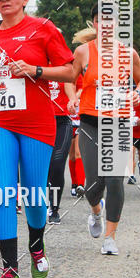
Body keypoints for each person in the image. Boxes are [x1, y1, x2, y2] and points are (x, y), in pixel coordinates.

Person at [0, 0, 75, 278]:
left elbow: (71, 70)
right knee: (3, 191)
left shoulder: (43, 28)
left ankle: (37, 246)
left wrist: (36, 71)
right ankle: (9, 271)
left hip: (36, 122)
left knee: (34, 193)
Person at [71, 4, 140, 255]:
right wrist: (72, 97)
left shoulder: (129, 53)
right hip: (91, 122)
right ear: (93, 24)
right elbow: (69, 79)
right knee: (94, 183)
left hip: (119, 122)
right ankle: (95, 212)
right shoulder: (83, 51)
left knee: (115, 180)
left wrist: (137, 93)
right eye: (98, 21)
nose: (104, 25)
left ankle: (110, 238)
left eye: (109, 21)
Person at [47, 79, 78, 223]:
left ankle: (54, 208)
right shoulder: (36, 62)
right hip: (41, 121)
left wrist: (72, 99)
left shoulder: (63, 64)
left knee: (57, 164)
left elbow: (68, 83)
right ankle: (41, 203)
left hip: (62, 121)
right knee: (43, 166)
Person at [68, 74, 85, 197]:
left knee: (79, 152)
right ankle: (74, 184)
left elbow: (82, 89)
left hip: (80, 120)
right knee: (72, 155)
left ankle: (81, 185)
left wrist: (74, 98)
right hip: (67, 120)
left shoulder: (78, 75)